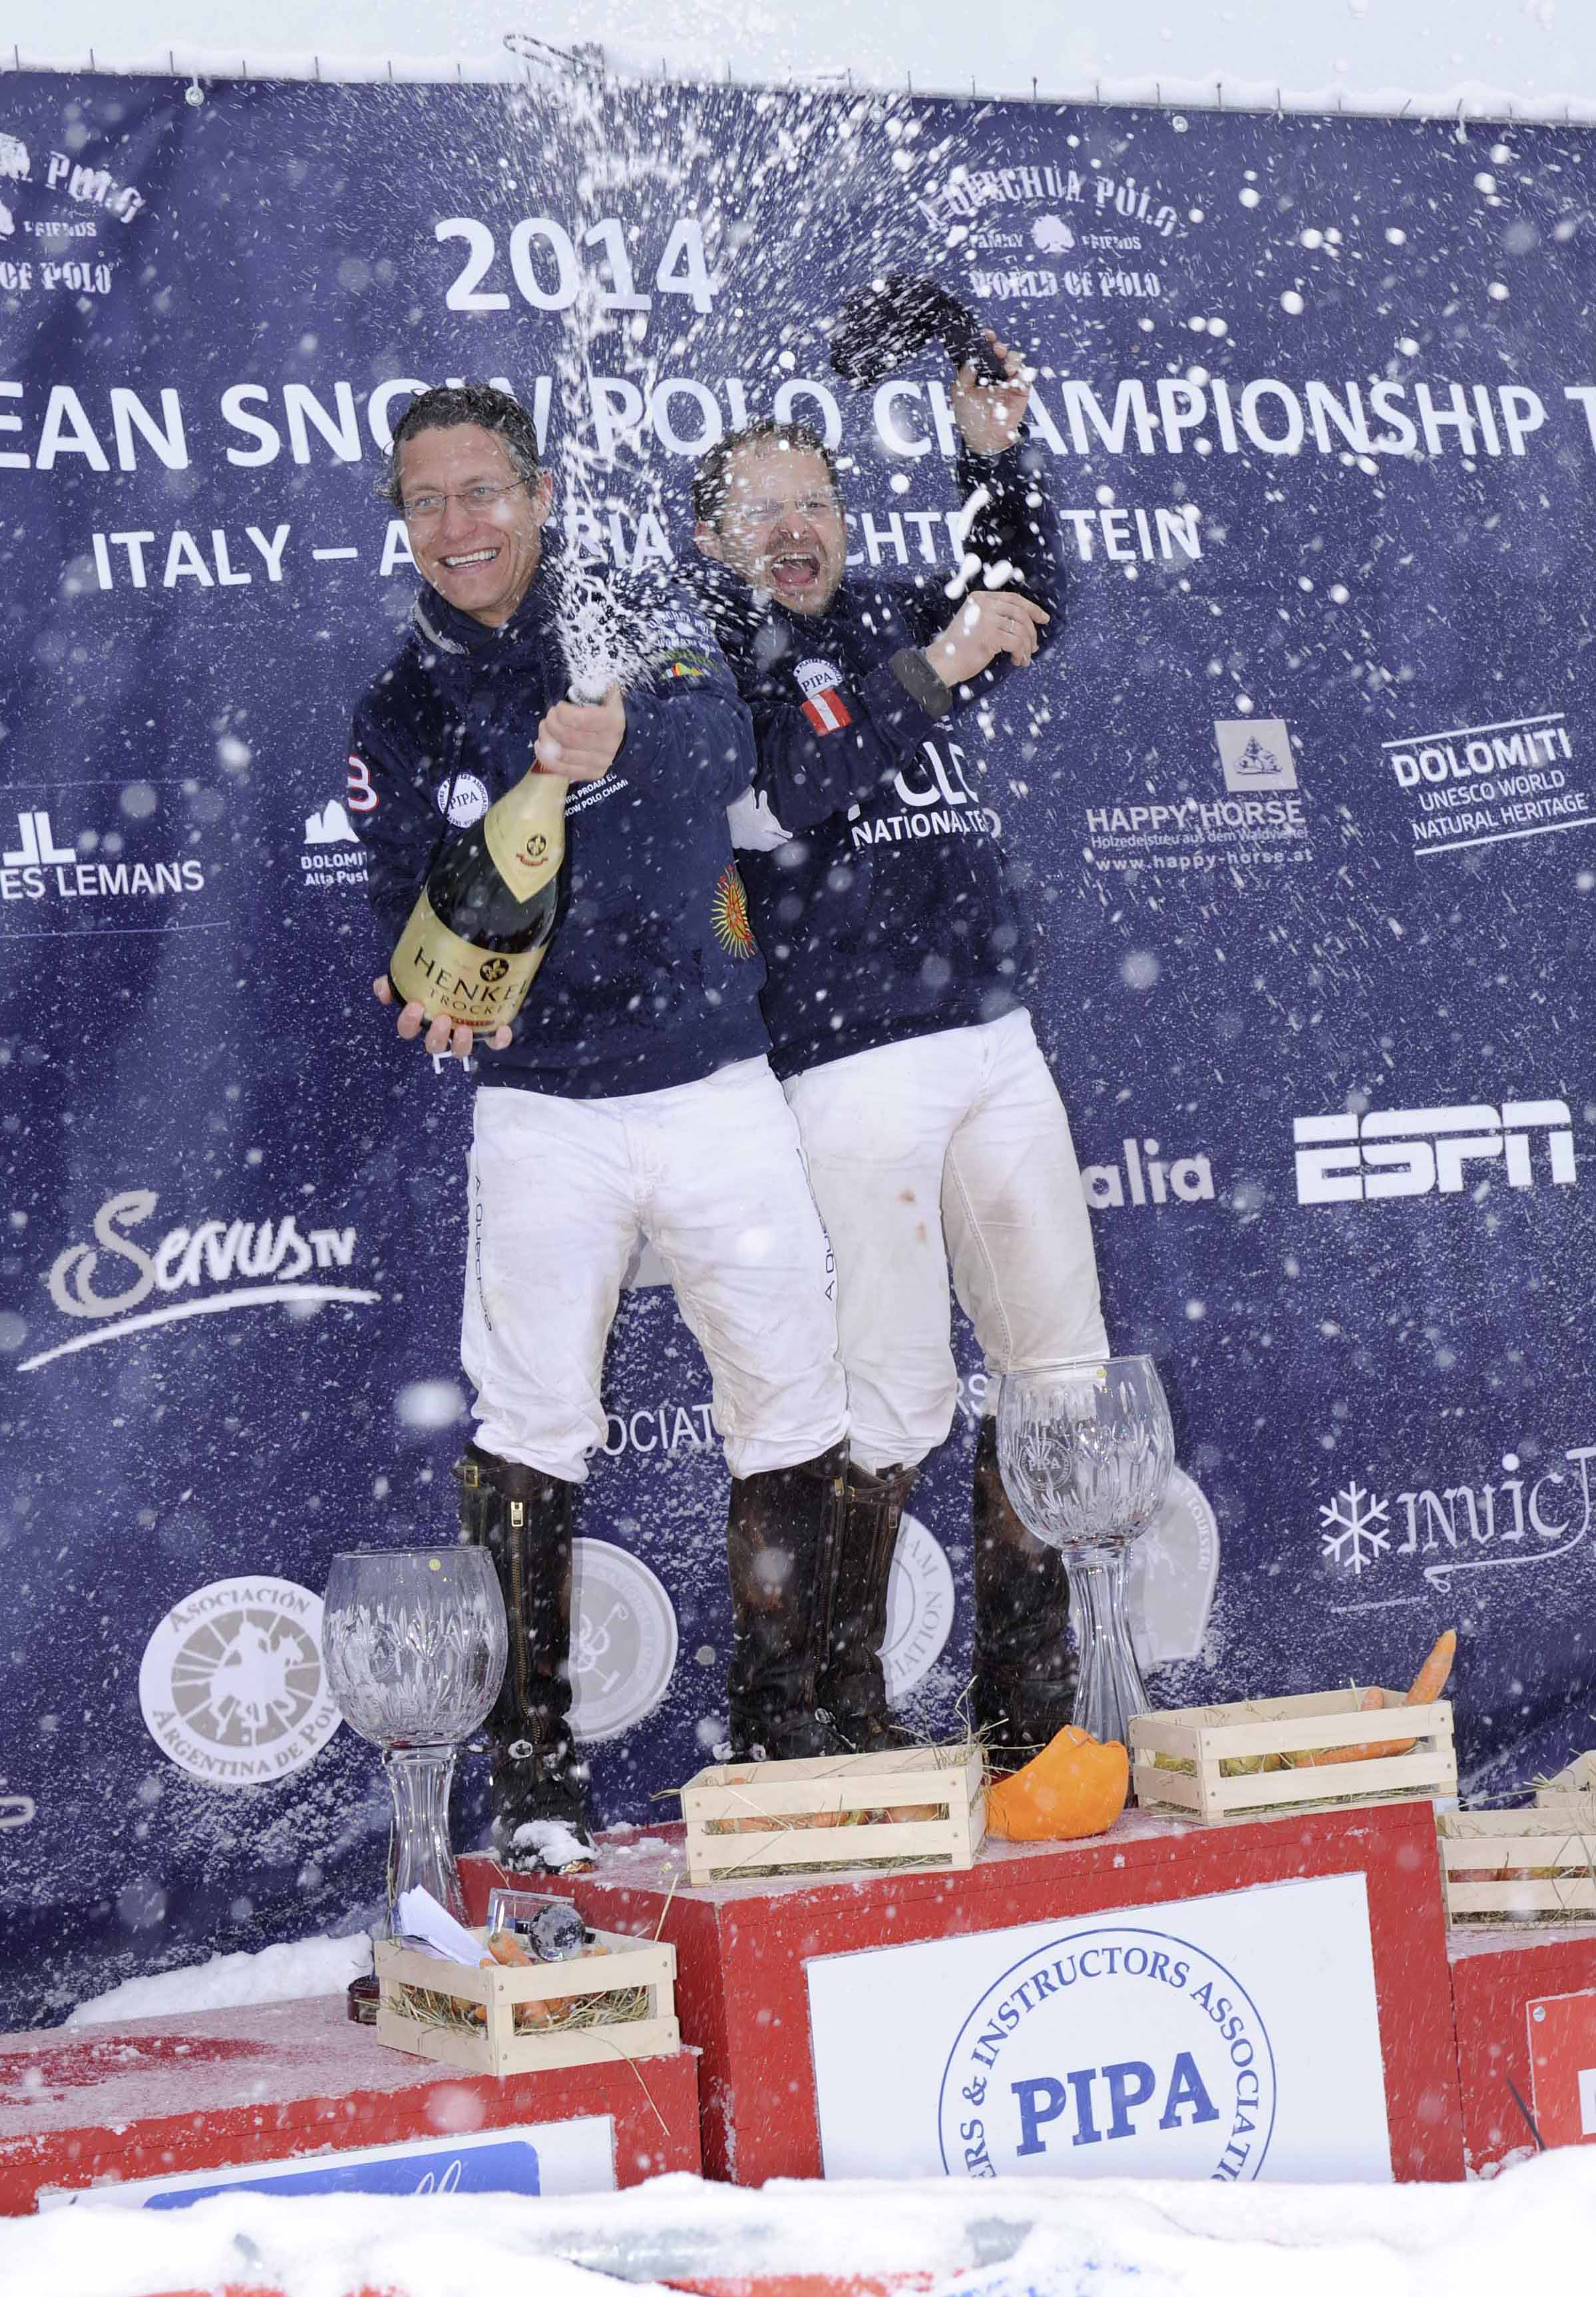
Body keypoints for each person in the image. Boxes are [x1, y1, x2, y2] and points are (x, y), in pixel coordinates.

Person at [347, 382, 852, 1872]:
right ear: (403, 520)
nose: (458, 525)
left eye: (483, 491)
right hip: (539, 1115)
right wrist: (423, 983)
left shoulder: (630, 611)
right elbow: (402, 910)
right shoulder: (397, 706)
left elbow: (724, 757)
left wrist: (621, 725)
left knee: (791, 1402)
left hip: (715, 1089)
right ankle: (535, 1781)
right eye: (426, 501)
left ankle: (779, 1741)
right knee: (526, 1432)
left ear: (542, 494)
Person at [689, 333, 1109, 1766]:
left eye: (814, 501)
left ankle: (1026, 1717)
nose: (793, 529)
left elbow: (1022, 600)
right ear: (711, 540)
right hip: (850, 1063)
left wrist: (991, 452)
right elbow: (797, 782)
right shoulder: (710, 658)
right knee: (893, 1393)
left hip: (993, 1037)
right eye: (760, 510)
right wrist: (941, 659)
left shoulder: (877, 610)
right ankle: (825, 1715)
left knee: (1056, 1372)